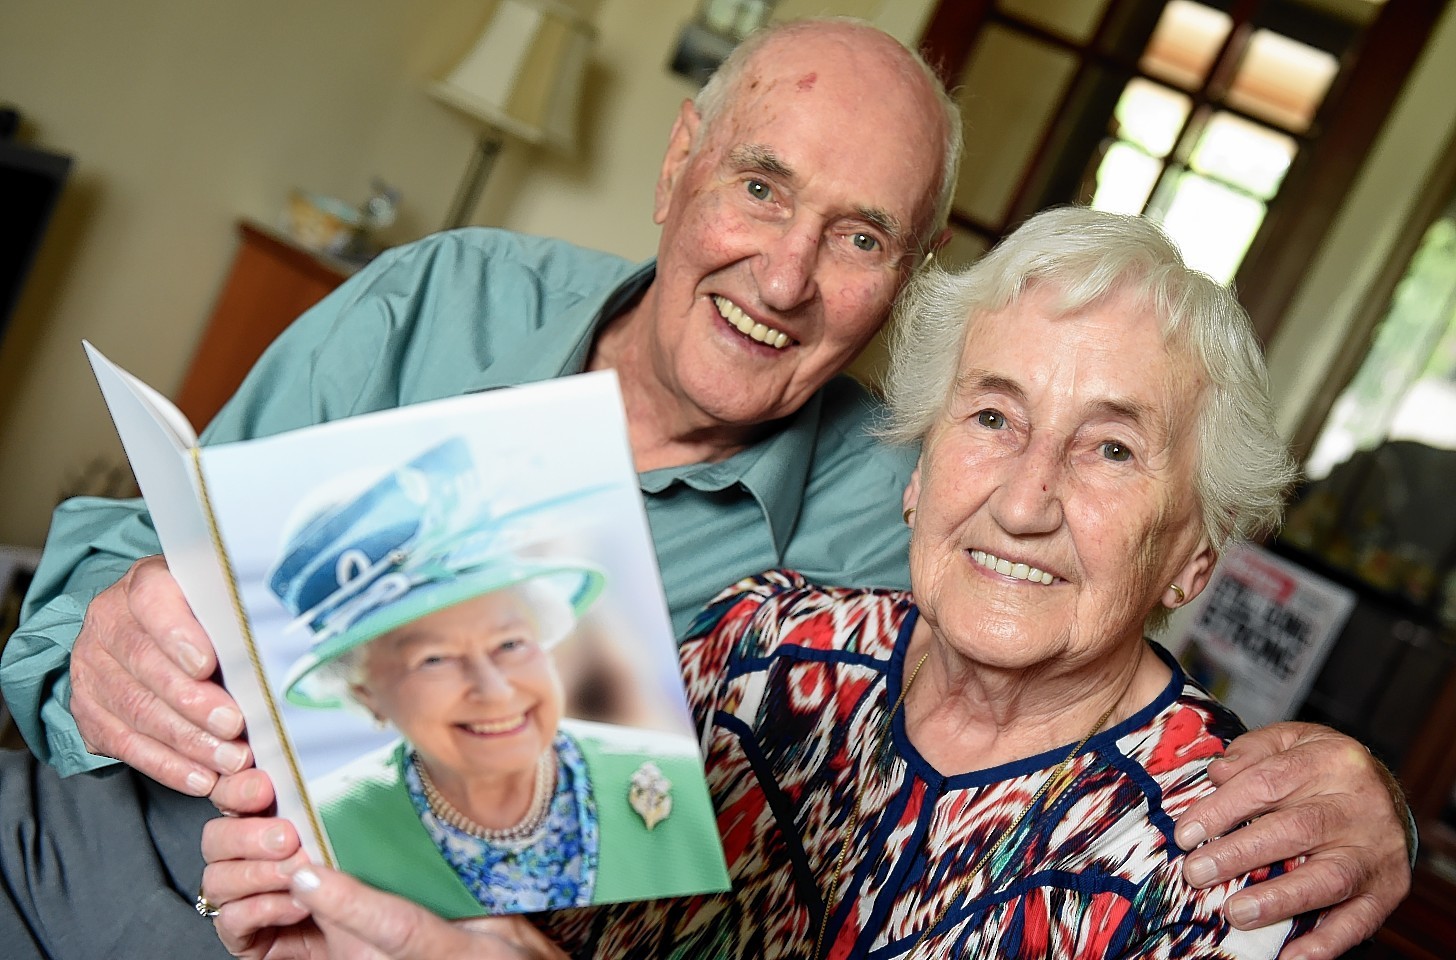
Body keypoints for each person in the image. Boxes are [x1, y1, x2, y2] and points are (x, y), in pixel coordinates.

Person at [0, 17, 1410, 960]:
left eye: (859, 238)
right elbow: (115, 567)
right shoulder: (452, 301)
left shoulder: (906, 541)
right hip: (101, 822)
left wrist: (1375, 799)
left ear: (905, 286)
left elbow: (1109, 675)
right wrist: (103, 637)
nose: (788, 278)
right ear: (681, 166)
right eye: (761, 188)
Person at [203, 206, 1344, 959]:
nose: (1024, 497)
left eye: (1110, 449)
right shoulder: (764, 647)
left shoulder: (1226, 864)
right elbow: (508, 909)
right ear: (918, 465)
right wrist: (355, 914)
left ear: (1196, 552)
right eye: (992, 416)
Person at [266, 438, 725, 916]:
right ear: (366, 694)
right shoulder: (317, 836)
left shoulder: (686, 781)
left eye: (510, 644)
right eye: (435, 659)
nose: (496, 689)